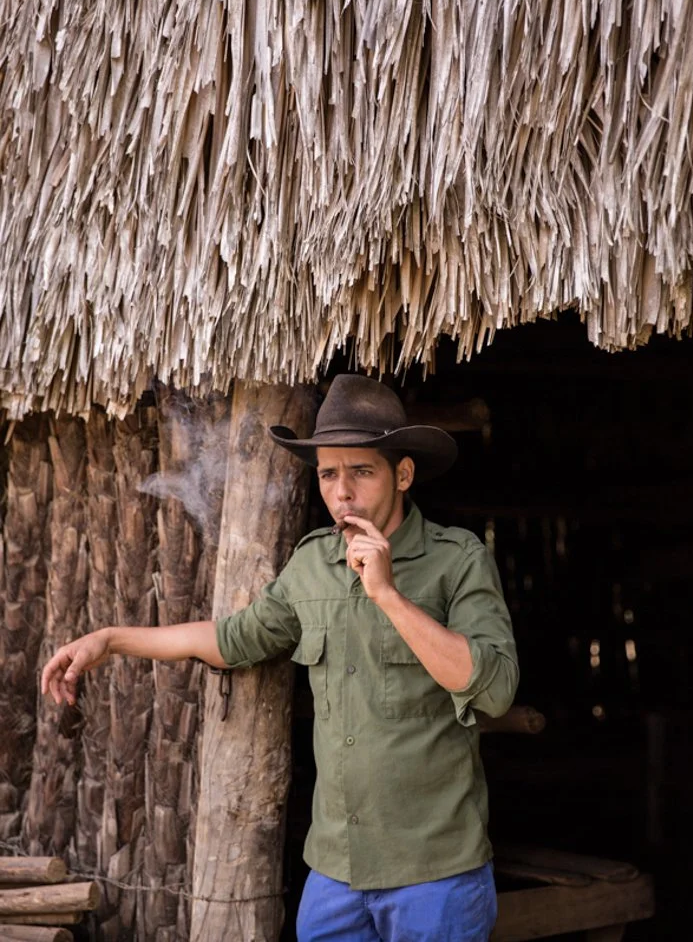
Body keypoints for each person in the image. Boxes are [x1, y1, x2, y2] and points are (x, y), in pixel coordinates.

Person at [42, 375, 518, 941]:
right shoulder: (313, 564)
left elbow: (493, 688)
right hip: (334, 876)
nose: (342, 492)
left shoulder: (457, 559)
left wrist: (388, 596)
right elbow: (232, 639)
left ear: (403, 474)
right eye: (328, 474)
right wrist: (110, 640)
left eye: (362, 471)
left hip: (434, 876)